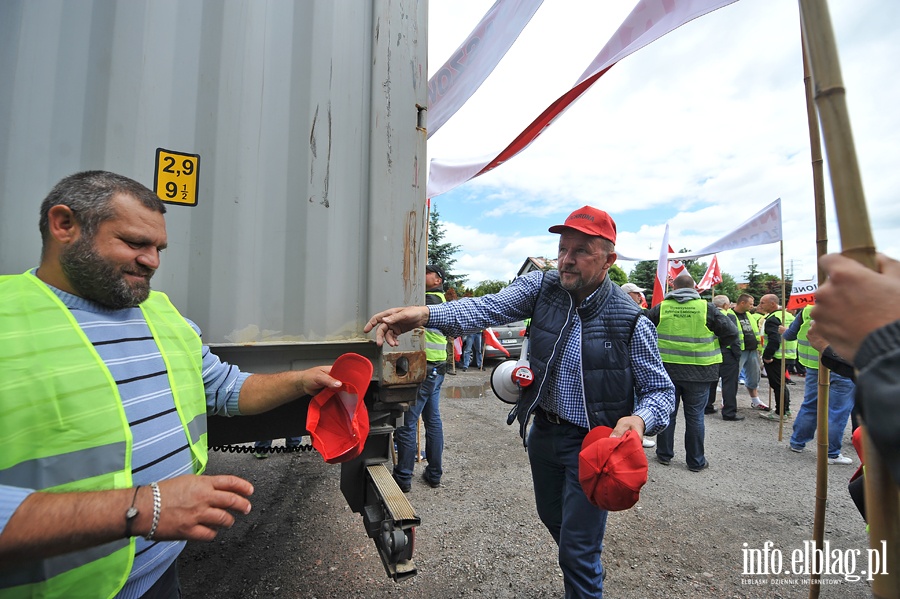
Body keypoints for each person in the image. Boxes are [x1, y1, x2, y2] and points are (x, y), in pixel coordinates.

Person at [0, 171, 340, 598]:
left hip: (158, 576)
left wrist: (301, 380)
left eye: (158, 248)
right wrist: (144, 509)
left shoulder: (161, 314)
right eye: (134, 243)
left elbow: (222, 389)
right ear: (64, 224)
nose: (152, 261)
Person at [365, 206, 675, 598]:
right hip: (544, 435)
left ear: (609, 260)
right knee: (553, 520)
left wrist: (641, 420)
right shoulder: (543, 287)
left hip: (594, 447)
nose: (567, 259)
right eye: (563, 248)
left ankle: (584, 573)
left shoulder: (631, 319)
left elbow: (661, 391)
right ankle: (586, 567)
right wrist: (426, 313)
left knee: (577, 551)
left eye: (581, 251)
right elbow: (487, 307)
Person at [811, 252, 900, 485]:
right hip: (825, 369)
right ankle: (829, 449)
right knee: (837, 411)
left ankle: (830, 449)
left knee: (839, 411)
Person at [647, 274, 739, 471]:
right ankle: (696, 462)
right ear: (695, 288)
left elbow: (643, 329)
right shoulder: (707, 308)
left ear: (674, 287)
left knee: (668, 414)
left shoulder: (662, 308)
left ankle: (664, 454)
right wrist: (715, 346)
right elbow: (731, 333)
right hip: (701, 372)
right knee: (695, 416)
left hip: (667, 370)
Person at [391, 264, 448, 492]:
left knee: (407, 423)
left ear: (437, 279)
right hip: (436, 367)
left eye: (426, 272)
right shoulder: (440, 301)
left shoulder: (428, 301)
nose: (420, 274)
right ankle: (434, 474)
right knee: (432, 421)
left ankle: (403, 477)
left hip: (425, 368)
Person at [782, 305, 855, 465]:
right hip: (843, 366)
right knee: (837, 411)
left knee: (811, 405)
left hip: (815, 365)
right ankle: (831, 453)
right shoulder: (856, 308)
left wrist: (783, 330)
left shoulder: (808, 310)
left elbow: (789, 335)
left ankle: (797, 442)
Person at [621, 282, 656, 448]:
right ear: (628, 295)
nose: (639, 296)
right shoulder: (630, 315)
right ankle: (633, 434)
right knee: (632, 401)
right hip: (627, 368)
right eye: (636, 293)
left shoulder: (637, 314)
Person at [706, 295, 744, 421]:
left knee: (711, 381)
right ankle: (729, 412)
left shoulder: (707, 315)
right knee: (729, 384)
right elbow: (734, 336)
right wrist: (737, 354)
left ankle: (707, 406)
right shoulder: (729, 316)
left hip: (711, 352)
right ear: (725, 305)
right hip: (728, 354)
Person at [757, 294, 792, 420]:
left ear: (773, 304)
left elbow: (774, 340)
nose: (760, 305)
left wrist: (767, 356)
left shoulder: (772, 318)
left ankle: (780, 412)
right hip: (788, 354)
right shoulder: (788, 315)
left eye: (762, 302)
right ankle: (785, 410)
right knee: (782, 384)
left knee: (777, 385)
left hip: (776, 356)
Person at [732, 293, 768, 410]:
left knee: (754, 376)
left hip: (752, 350)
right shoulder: (730, 315)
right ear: (742, 303)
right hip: (738, 351)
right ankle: (727, 400)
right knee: (732, 376)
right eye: (751, 304)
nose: (753, 306)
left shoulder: (749, 315)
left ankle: (755, 400)